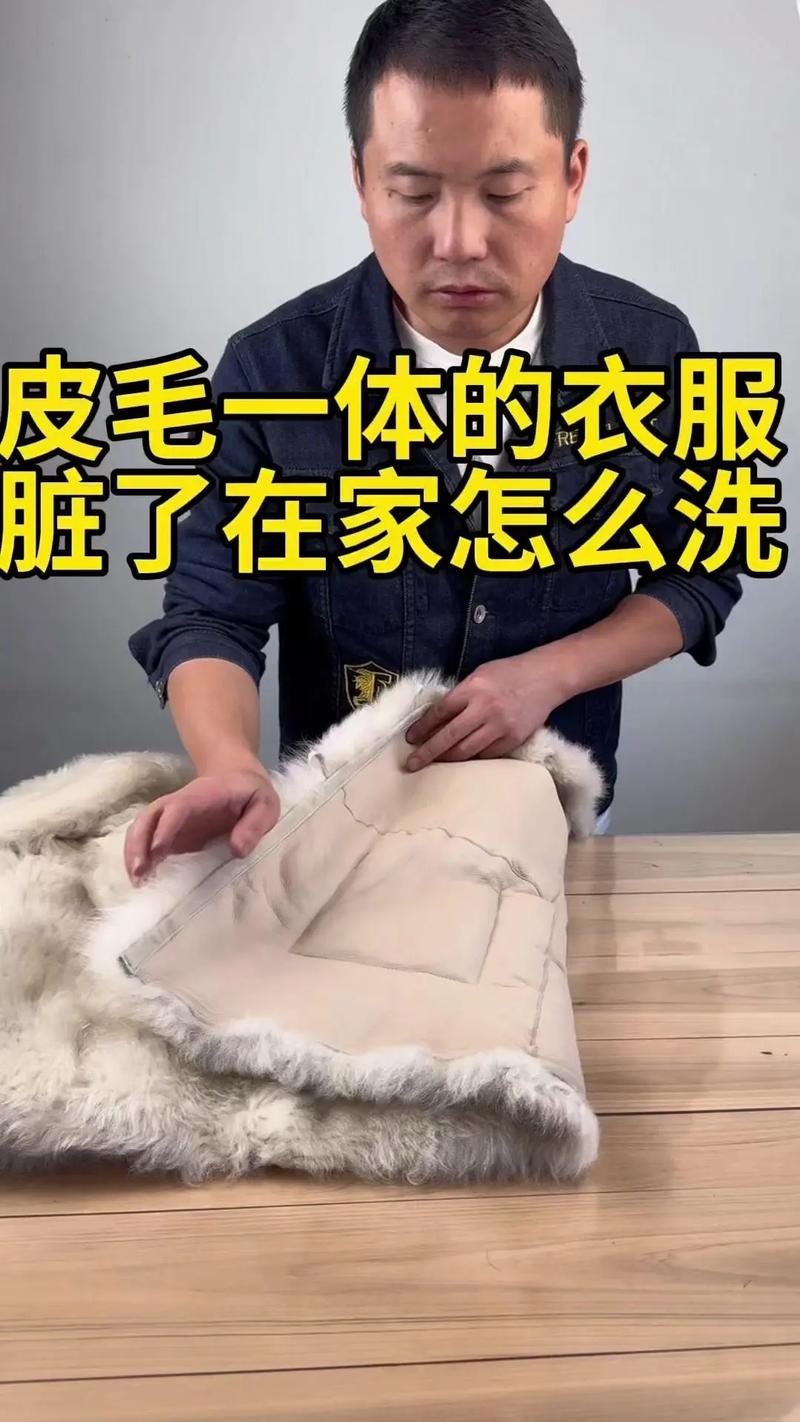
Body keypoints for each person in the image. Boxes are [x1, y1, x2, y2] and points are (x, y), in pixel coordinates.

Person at [124, 0, 742, 885]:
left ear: (572, 178)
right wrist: (229, 764)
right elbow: (211, 612)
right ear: (361, 180)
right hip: (336, 831)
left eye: (504, 193)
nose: (459, 242)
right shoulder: (272, 370)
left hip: (556, 816)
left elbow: (703, 572)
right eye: (413, 194)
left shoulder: (651, 350)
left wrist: (549, 674)